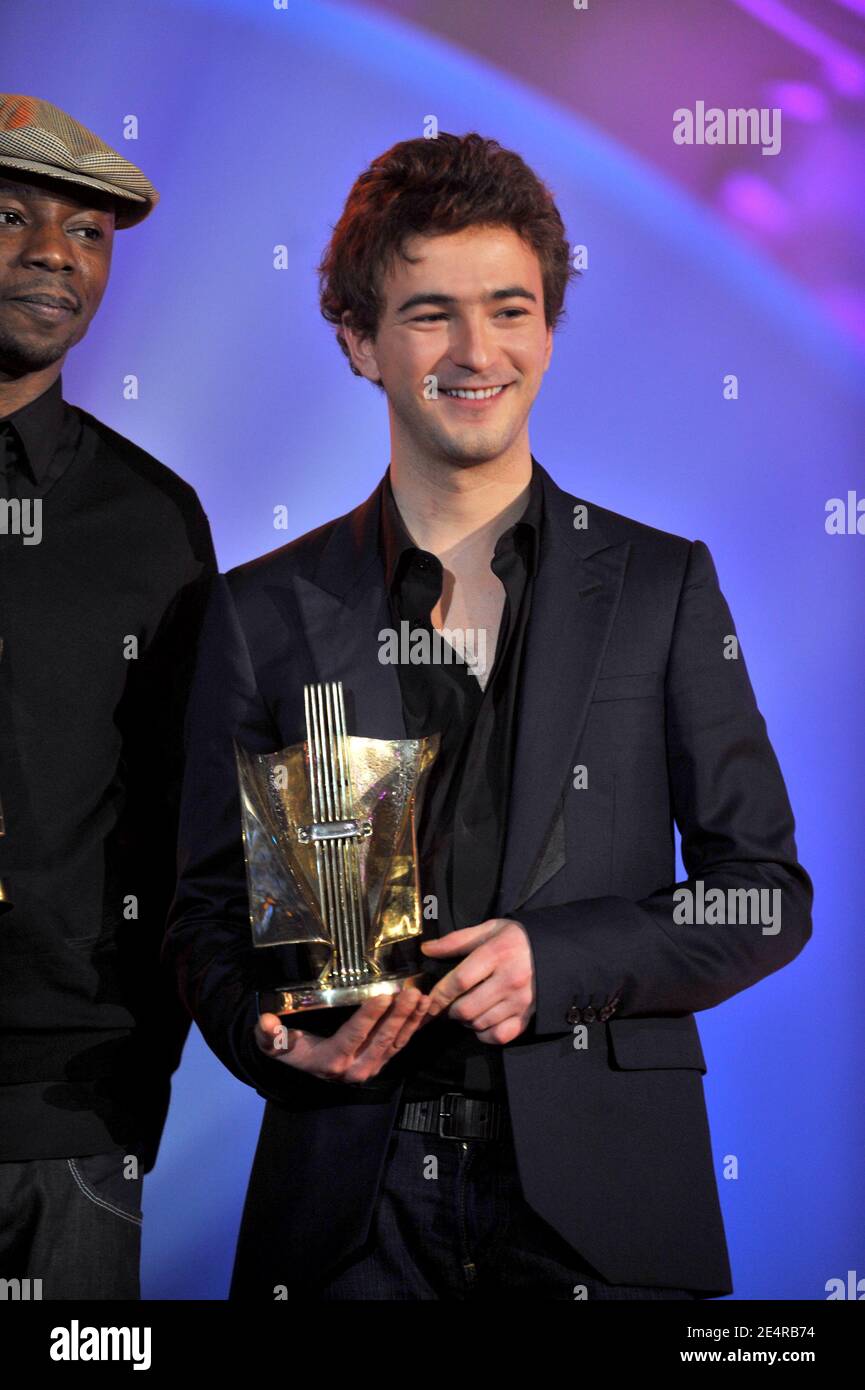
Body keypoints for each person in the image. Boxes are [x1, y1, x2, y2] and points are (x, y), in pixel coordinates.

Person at [164, 132, 812, 1300]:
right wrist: (271, 1033)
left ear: (548, 330)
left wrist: (554, 960)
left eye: (508, 309)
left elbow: (762, 892)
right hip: (348, 1204)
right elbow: (208, 910)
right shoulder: (266, 610)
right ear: (359, 342)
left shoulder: (660, 587)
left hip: (601, 1206)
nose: (476, 352)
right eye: (428, 315)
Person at [0, 95, 216, 1300]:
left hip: (71, 1113)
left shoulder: (154, 520)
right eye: (11, 215)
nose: (52, 252)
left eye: (89, 233)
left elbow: (196, 813)